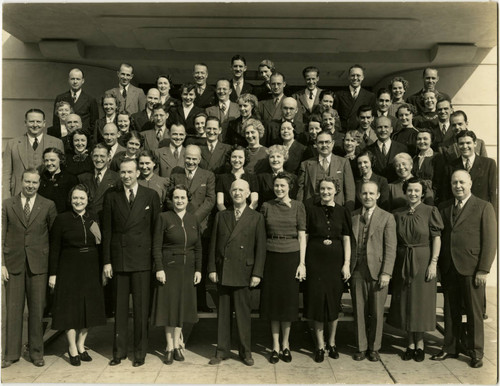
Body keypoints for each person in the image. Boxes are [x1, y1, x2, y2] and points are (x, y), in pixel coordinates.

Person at [434, 170, 496, 368]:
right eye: (454, 183)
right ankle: (450, 346)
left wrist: (483, 269)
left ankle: (476, 351)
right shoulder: (444, 207)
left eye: (461, 182)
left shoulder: (484, 207)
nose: (458, 186)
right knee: (450, 310)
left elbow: (490, 241)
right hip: (450, 267)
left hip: (472, 268)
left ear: (470, 183)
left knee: (473, 312)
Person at [102, 158, 160, 367]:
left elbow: (156, 232)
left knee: (141, 309)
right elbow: (107, 231)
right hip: (119, 260)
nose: (126, 176)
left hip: (142, 261)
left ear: (138, 173)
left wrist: (155, 262)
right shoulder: (111, 196)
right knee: (120, 309)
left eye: (130, 172)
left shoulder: (151, 195)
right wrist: (107, 261)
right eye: (123, 172)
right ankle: (119, 352)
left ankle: (140, 353)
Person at [1, 169, 58, 368]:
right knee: (13, 310)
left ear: (39, 183)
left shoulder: (48, 205)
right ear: (21, 181)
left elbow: (54, 238)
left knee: (36, 310)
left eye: (34, 182)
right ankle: (11, 354)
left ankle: (36, 353)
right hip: (14, 263)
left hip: (38, 265)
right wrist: (1, 264)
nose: (30, 186)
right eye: (27, 182)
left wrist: (52, 270)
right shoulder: (7, 204)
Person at [207, 179, 267, 366]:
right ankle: (222, 351)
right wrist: (212, 269)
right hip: (224, 271)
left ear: (249, 193)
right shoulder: (221, 215)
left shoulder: (256, 217)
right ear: (230, 193)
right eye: (234, 190)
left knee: (243, 315)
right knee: (223, 315)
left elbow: (261, 248)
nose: (237, 193)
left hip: (244, 272)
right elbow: (213, 245)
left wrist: (257, 273)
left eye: (241, 190)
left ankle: (245, 351)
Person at [48, 184, 106, 366]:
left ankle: (81, 345)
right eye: (75, 198)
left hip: (90, 268)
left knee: (89, 309)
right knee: (70, 309)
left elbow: (100, 244)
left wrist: (103, 268)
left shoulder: (93, 217)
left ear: (87, 199)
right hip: (68, 268)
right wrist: (53, 274)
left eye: (81, 198)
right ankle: (72, 347)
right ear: (70, 200)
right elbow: (55, 248)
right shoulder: (62, 219)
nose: (78, 201)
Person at [387, 178, 444, 362]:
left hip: (423, 260)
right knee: (406, 303)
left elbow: (436, 238)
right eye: (410, 190)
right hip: (403, 260)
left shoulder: (430, 211)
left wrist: (433, 263)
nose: (413, 193)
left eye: (416, 190)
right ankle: (409, 343)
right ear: (405, 192)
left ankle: (420, 343)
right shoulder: (397, 213)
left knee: (421, 303)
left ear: (422, 192)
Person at [151, 185, 202, 365]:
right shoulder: (164, 218)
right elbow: (156, 245)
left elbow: (198, 247)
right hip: (169, 268)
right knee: (169, 308)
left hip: (187, 269)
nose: (179, 201)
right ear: (171, 200)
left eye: (183, 198)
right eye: (176, 197)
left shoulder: (193, 219)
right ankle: (170, 346)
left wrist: (198, 269)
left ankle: (179, 344)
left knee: (181, 308)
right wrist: (159, 268)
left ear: (188, 200)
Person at [260, 172, 306, 364]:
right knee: (273, 303)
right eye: (276, 186)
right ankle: (275, 345)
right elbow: (261, 235)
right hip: (271, 257)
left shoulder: (298, 206)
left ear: (290, 187)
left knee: (287, 303)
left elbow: (302, 235)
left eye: (283, 186)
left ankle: (286, 344)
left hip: (291, 256)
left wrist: (302, 263)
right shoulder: (266, 206)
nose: (279, 189)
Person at [304, 177, 351, 362]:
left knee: (333, 303)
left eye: (329, 189)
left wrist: (346, 263)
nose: (325, 192)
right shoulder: (310, 210)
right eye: (322, 189)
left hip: (335, 263)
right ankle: (319, 345)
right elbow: (305, 237)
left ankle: (332, 343)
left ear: (336, 190)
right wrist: (303, 263)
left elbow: (347, 238)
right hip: (315, 262)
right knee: (316, 303)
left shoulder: (343, 211)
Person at [350, 181, 397, 362]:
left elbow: (390, 248)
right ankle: (361, 347)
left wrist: (386, 272)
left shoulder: (387, 217)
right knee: (359, 310)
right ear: (359, 195)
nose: (367, 197)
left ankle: (374, 347)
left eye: (371, 193)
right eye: (364, 193)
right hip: (358, 269)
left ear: (377, 195)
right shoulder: (353, 216)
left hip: (378, 271)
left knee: (377, 311)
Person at [3, 108, 64, 198]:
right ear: (25, 123)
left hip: (47, 196)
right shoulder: (12, 144)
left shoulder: (56, 143)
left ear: (44, 123)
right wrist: (6, 198)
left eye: (38, 122)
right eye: (31, 121)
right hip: (19, 194)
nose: (35, 125)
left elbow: (62, 172)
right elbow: (6, 173)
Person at [297, 130, 355, 212]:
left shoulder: (343, 163)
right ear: (316, 144)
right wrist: (300, 211)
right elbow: (301, 192)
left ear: (333, 143)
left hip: (337, 211)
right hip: (312, 211)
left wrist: (347, 212)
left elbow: (350, 191)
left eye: (327, 142)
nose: (324, 145)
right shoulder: (306, 164)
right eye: (321, 142)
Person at [447, 130, 497, 211]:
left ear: (475, 143)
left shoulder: (489, 164)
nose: (465, 146)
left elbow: (493, 193)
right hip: (460, 211)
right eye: (461, 144)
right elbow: (447, 194)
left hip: (481, 210)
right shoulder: (450, 166)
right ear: (457, 145)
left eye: (468, 143)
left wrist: (494, 215)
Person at [78, 143, 121, 220]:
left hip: (108, 220)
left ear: (109, 157)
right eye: (95, 156)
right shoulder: (82, 178)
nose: (98, 159)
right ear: (91, 157)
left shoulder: (117, 178)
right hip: (87, 220)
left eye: (102, 156)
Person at [53, 68, 99, 134]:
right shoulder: (60, 98)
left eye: (78, 79)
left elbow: (94, 124)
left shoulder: (91, 100)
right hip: (64, 138)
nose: (75, 82)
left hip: (83, 138)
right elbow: (56, 122)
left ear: (82, 81)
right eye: (72, 79)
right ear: (68, 80)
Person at [333, 64, 376, 132]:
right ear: (348, 77)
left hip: (361, 132)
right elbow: (335, 117)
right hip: (344, 133)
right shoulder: (339, 94)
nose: (355, 78)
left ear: (363, 77)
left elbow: (373, 118)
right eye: (352, 75)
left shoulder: (370, 96)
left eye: (358, 75)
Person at [366, 116, 408, 183]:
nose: (383, 130)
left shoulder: (402, 149)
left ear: (391, 129)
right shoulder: (368, 150)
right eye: (379, 127)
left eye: (386, 127)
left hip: (396, 188)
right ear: (375, 130)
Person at [216, 146, 259, 211]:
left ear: (245, 159)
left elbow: (254, 202)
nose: (237, 160)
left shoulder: (252, 178)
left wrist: (244, 216)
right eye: (234, 157)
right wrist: (228, 216)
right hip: (227, 215)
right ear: (229, 158)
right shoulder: (222, 178)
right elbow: (220, 203)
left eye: (240, 157)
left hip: (247, 216)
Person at [38, 147, 79, 213]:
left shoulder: (70, 179)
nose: (49, 163)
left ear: (60, 160)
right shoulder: (41, 178)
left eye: (52, 160)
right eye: (46, 160)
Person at [412, 128, 447, 205]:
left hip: (432, 198)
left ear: (431, 141)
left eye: (425, 139)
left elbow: (440, 181)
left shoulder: (437, 157)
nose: (422, 141)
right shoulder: (414, 159)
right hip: (415, 195)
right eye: (419, 139)